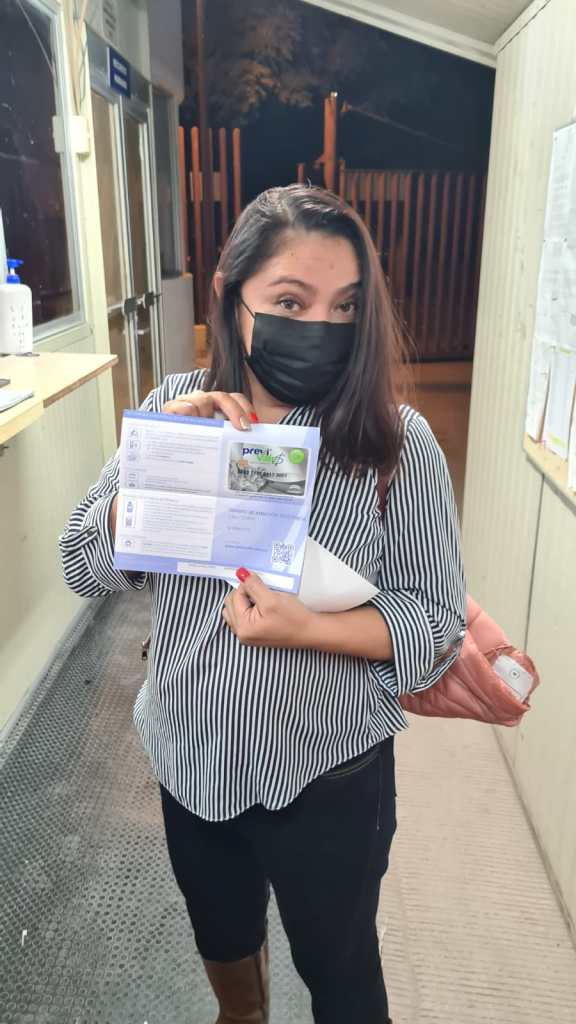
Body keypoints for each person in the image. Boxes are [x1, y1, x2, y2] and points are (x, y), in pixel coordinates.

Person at [60, 184, 466, 1024]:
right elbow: (81, 566)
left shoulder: (395, 442)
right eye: (290, 301)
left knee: (342, 978)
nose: (321, 325)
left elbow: (436, 627)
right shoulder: (176, 408)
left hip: (327, 776)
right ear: (229, 297)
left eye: (344, 306)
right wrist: (156, 472)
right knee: (225, 949)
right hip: (189, 758)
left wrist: (311, 627)